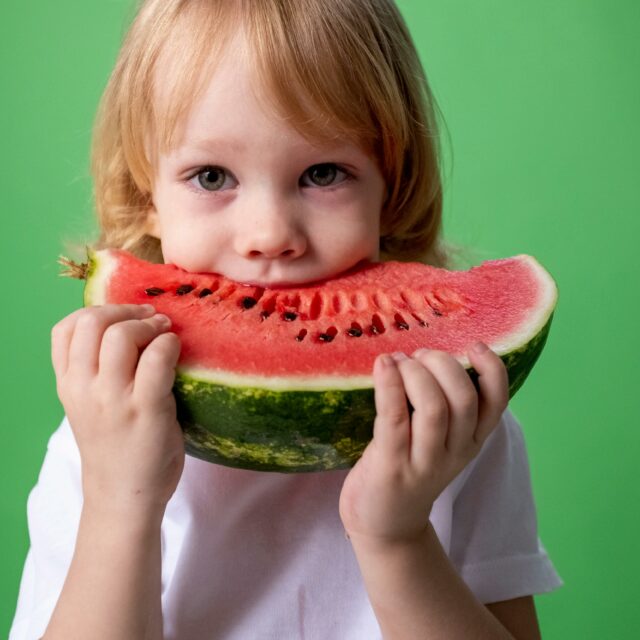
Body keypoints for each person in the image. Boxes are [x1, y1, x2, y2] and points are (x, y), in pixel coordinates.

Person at [10, 1, 562, 638]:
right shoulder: (104, 431)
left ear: (393, 186)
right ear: (146, 195)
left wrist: (397, 538)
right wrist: (117, 502)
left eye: (322, 174)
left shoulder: (454, 422)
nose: (269, 234)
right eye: (211, 176)